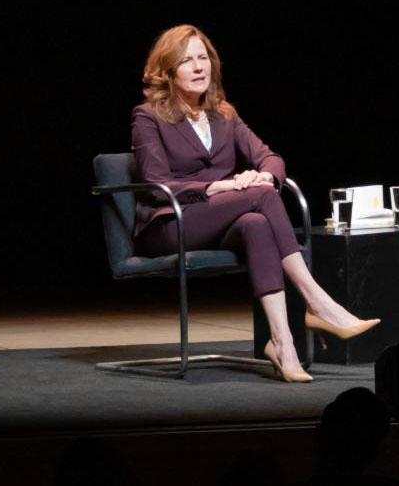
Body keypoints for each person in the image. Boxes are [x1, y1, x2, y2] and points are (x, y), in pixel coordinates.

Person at [131, 25, 379, 382]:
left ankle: (282, 344)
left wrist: (262, 176)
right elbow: (157, 185)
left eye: (203, 58)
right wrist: (216, 186)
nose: (199, 67)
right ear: (168, 72)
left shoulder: (224, 115)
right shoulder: (148, 117)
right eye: (186, 61)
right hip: (172, 223)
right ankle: (317, 301)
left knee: (257, 222)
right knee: (261, 197)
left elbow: (271, 158)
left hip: (218, 221)